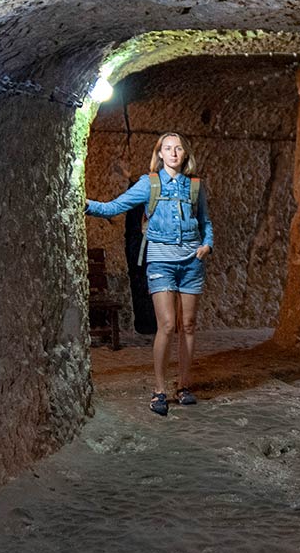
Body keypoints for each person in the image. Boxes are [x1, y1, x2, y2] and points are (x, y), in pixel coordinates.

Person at [85, 133, 213, 416]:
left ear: (185, 153)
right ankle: (159, 389)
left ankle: (184, 385)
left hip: (192, 262)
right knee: (167, 325)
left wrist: (207, 245)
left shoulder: (195, 186)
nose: (173, 152)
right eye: (167, 148)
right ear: (160, 154)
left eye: (178, 148)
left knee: (188, 325)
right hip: (161, 263)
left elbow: (205, 221)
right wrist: (86, 205)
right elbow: (115, 207)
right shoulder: (149, 184)